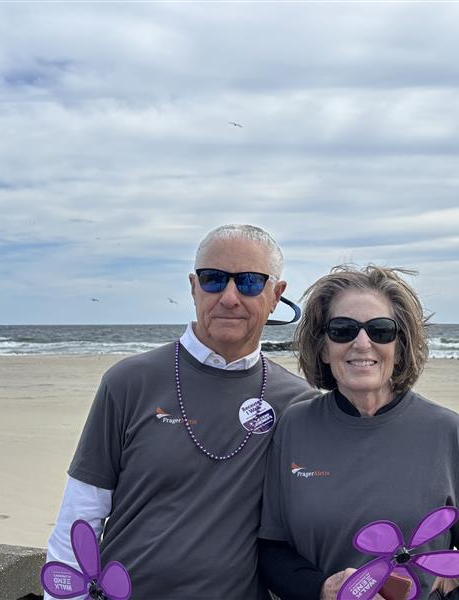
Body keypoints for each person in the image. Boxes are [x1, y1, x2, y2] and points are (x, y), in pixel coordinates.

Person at [45, 224, 317, 600]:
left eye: (250, 282)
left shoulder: (297, 403)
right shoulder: (129, 381)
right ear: (193, 287)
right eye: (213, 279)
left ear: (276, 295)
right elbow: (81, 515)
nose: (230, 297)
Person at [258, 265, 459, 600]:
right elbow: (272, 549)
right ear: (323, 347)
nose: (362, 343)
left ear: (400, 347)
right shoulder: (294, 426)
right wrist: (323, 590)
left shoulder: (448, 432)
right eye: (342, 330)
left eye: (381, 330)